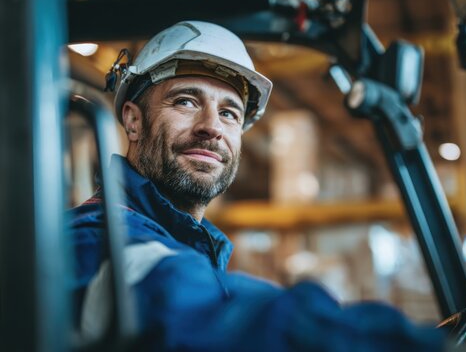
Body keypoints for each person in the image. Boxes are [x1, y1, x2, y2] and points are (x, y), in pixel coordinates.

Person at [69, 20, 446, 351]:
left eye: (229, 113)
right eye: (185, 102)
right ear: (133, 121)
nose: (212, 127)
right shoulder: (93, 237)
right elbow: (192, 306)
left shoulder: (188, 244)